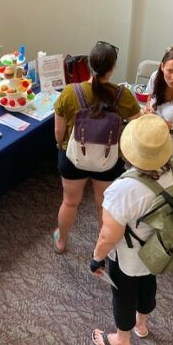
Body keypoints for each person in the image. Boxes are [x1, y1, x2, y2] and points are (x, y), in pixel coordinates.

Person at [90, 114, 173, 345]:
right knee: (147, 284)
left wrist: (97, 258)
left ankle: (122, 341)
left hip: (130, 256)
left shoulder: (123, 189)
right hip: (160, 249)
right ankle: (141, 325)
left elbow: (108, 236)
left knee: (123, 295)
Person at [52, 41, 140, 254]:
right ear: (113, 68)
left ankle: (61, 241)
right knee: (105, 206)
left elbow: (58, 132)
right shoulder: (123, 96)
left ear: (90, 65)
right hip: (109, 162)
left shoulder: (70, 92)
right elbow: (136, 128)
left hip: (73, 158)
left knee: (70, 203)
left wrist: (61, 147)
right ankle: (106, 247)